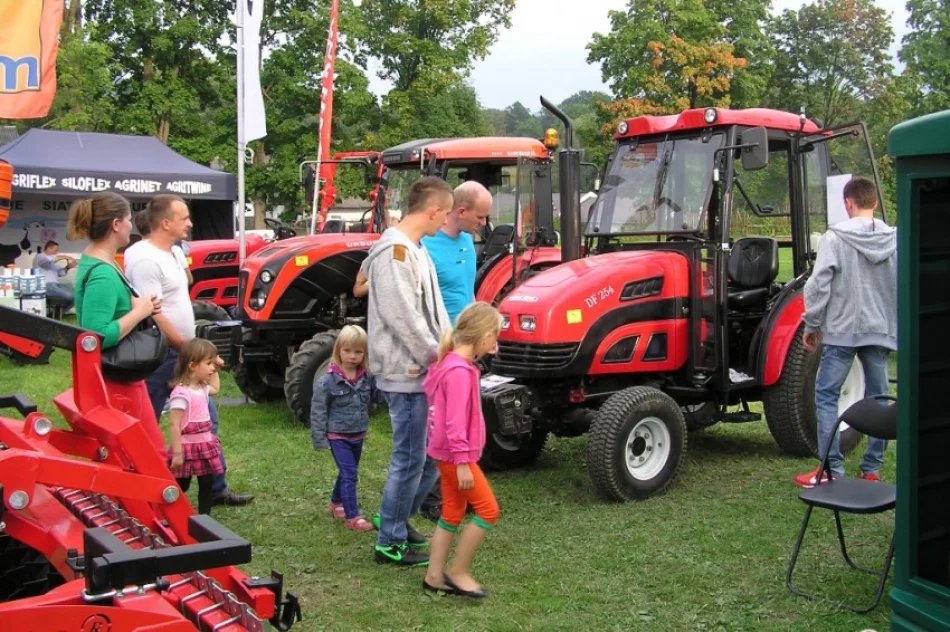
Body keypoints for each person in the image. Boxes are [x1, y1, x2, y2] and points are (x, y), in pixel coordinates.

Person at [125, 194, 255, 507]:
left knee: (206, 419)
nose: (190, 223)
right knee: (147, 421)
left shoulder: (171, 251)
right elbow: (153, 314)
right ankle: (141, 490)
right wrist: (188, 350)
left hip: (182, 352)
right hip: (162, 354)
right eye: (183, 218)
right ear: (165, 223)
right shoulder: (145, 259)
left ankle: (215, 488)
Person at [361, 176, 453, 566]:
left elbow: (433, 311)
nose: (446, 221)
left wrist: (449, 350)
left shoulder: (415, 248)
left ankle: (395, 518)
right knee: (412, 457)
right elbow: (404, 318)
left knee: (427, 456)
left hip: (423, 369)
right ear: (432, 210)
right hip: (406, 372)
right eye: (445, 213)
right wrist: (438, 356)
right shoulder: (395, 254)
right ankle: (390, 541)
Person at [795, 176, 897, 488]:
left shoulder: (834, 238)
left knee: (826, 396)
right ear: (875, 203)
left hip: (842, 330)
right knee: (880, 399)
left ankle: (831, 469)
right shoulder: (896, 239)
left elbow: (818, 285)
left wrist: (812, 324)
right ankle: (872, 469)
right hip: (880, 329)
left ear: (847, 203)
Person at [68, 192, 165, 457]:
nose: (131, 226)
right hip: (117, 379)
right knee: (145, 455)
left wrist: (139, 306)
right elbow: (96, 335)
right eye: (128, 219)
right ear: (115, 225)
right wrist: (139, 312)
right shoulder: (102, 273)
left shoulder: (99, 260)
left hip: (119, 375)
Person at [422, 302, 502, 598]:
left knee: (452, 513)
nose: (495, 343)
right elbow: (454, 422)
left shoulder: (450, 363)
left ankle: (434, 576)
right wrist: (463, 462)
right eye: (495, 336)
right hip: (455, 457)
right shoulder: (458, 372)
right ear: (484, 336)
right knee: (488, 510)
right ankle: (458, 571)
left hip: (445, 455)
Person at [310, 325, 377, 531]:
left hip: (358, 433)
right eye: (347, 350)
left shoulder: (367, 378)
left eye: (358, 351)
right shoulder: (327, 382)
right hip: (338, 436)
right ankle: (352, 516)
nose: (352, 356)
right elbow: (318, 411)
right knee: (350, 474)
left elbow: (376, 397)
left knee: (348, 471)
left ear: (365, 354)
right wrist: (320, 439)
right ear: (338, 350)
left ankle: (335, 502)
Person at [167, 338, 226, 515]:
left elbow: (215, 388)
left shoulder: (202, 388)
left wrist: (216, 367)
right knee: (182, 484)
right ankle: (169, 513)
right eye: (208, 363)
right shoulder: (181, 393)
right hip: (187, 449)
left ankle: (204, 518)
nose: (212, 367)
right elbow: (174, 424)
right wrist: (178, 453)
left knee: (206, 484)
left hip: (204, 447)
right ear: (192, 366)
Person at [422, 181, 492, 325]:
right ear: (461, 212)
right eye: (480, 217)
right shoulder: (424, 245)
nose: (484, 223)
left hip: (465, 334)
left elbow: (467, 288)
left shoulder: (467, 240)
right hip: (440, 334)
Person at [34, 240, 77, 309]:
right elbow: (47, 260)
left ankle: (58, 312)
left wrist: (68, 267)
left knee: (75, 295)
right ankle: (57, 312)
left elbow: (61, 273)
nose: (56, 252)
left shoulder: (53, 263)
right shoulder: (39, 257)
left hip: (55, 285)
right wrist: (65, 256)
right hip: (45, 285)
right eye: (55, 250)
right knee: (69, 296)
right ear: (48, 248)